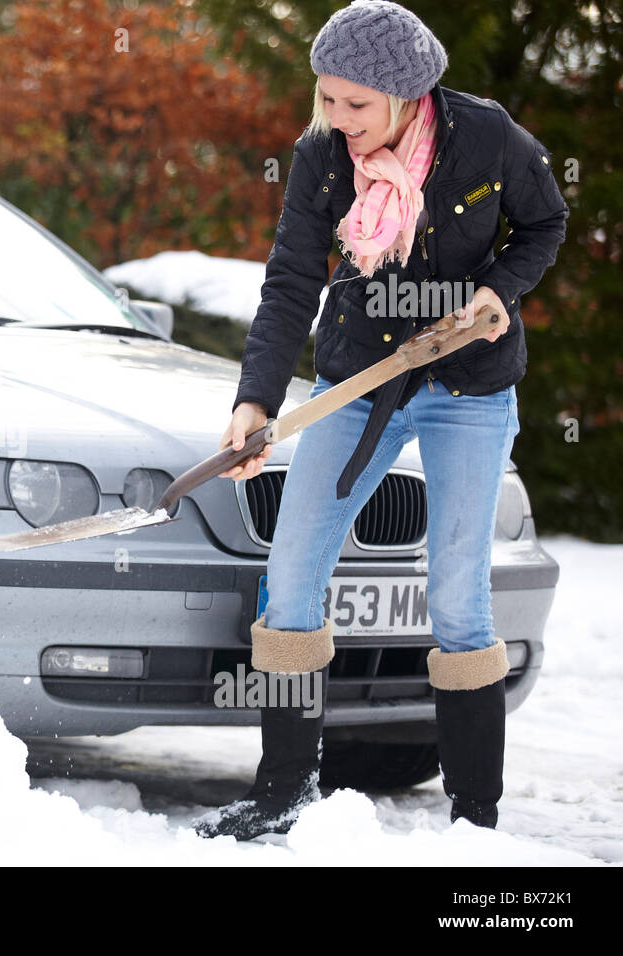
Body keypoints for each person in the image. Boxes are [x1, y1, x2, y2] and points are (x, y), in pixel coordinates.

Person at [193, 0, 568, 841]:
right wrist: (254, 401)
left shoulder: (488, 138)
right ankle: (283, 790)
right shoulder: (322, 157)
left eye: (355, 105)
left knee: (459, 598)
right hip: (358, 380)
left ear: (407, 96)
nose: (337, 120)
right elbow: (292, 277)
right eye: (326, 99)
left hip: (469, 389)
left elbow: (545, 223)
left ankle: (476, 819)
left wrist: (494, 293)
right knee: (290, 582)